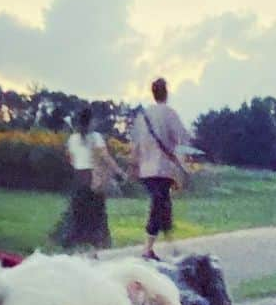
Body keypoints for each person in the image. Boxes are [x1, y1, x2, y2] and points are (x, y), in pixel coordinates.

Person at [129, 77, 188, 260]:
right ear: (166, 92)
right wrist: (182, 166)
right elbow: (182, 138)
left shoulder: (143, 116)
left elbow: (135, 144)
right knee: (159, 205)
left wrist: (133, 166)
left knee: (163, 204)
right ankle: (148, 250)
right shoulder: (170, 114)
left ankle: (169, 245)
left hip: (145, 169)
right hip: (162, 168)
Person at [52, 106, 124, 254]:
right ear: (90, 121)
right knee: (98, 214)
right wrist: (119, 171)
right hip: (93, 178)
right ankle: (98, 247)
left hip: (79, 178)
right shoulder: (95, 137)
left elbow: (71, 159)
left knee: (78, 213)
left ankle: (74, 246)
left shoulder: (72, 138)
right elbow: (105, 157)